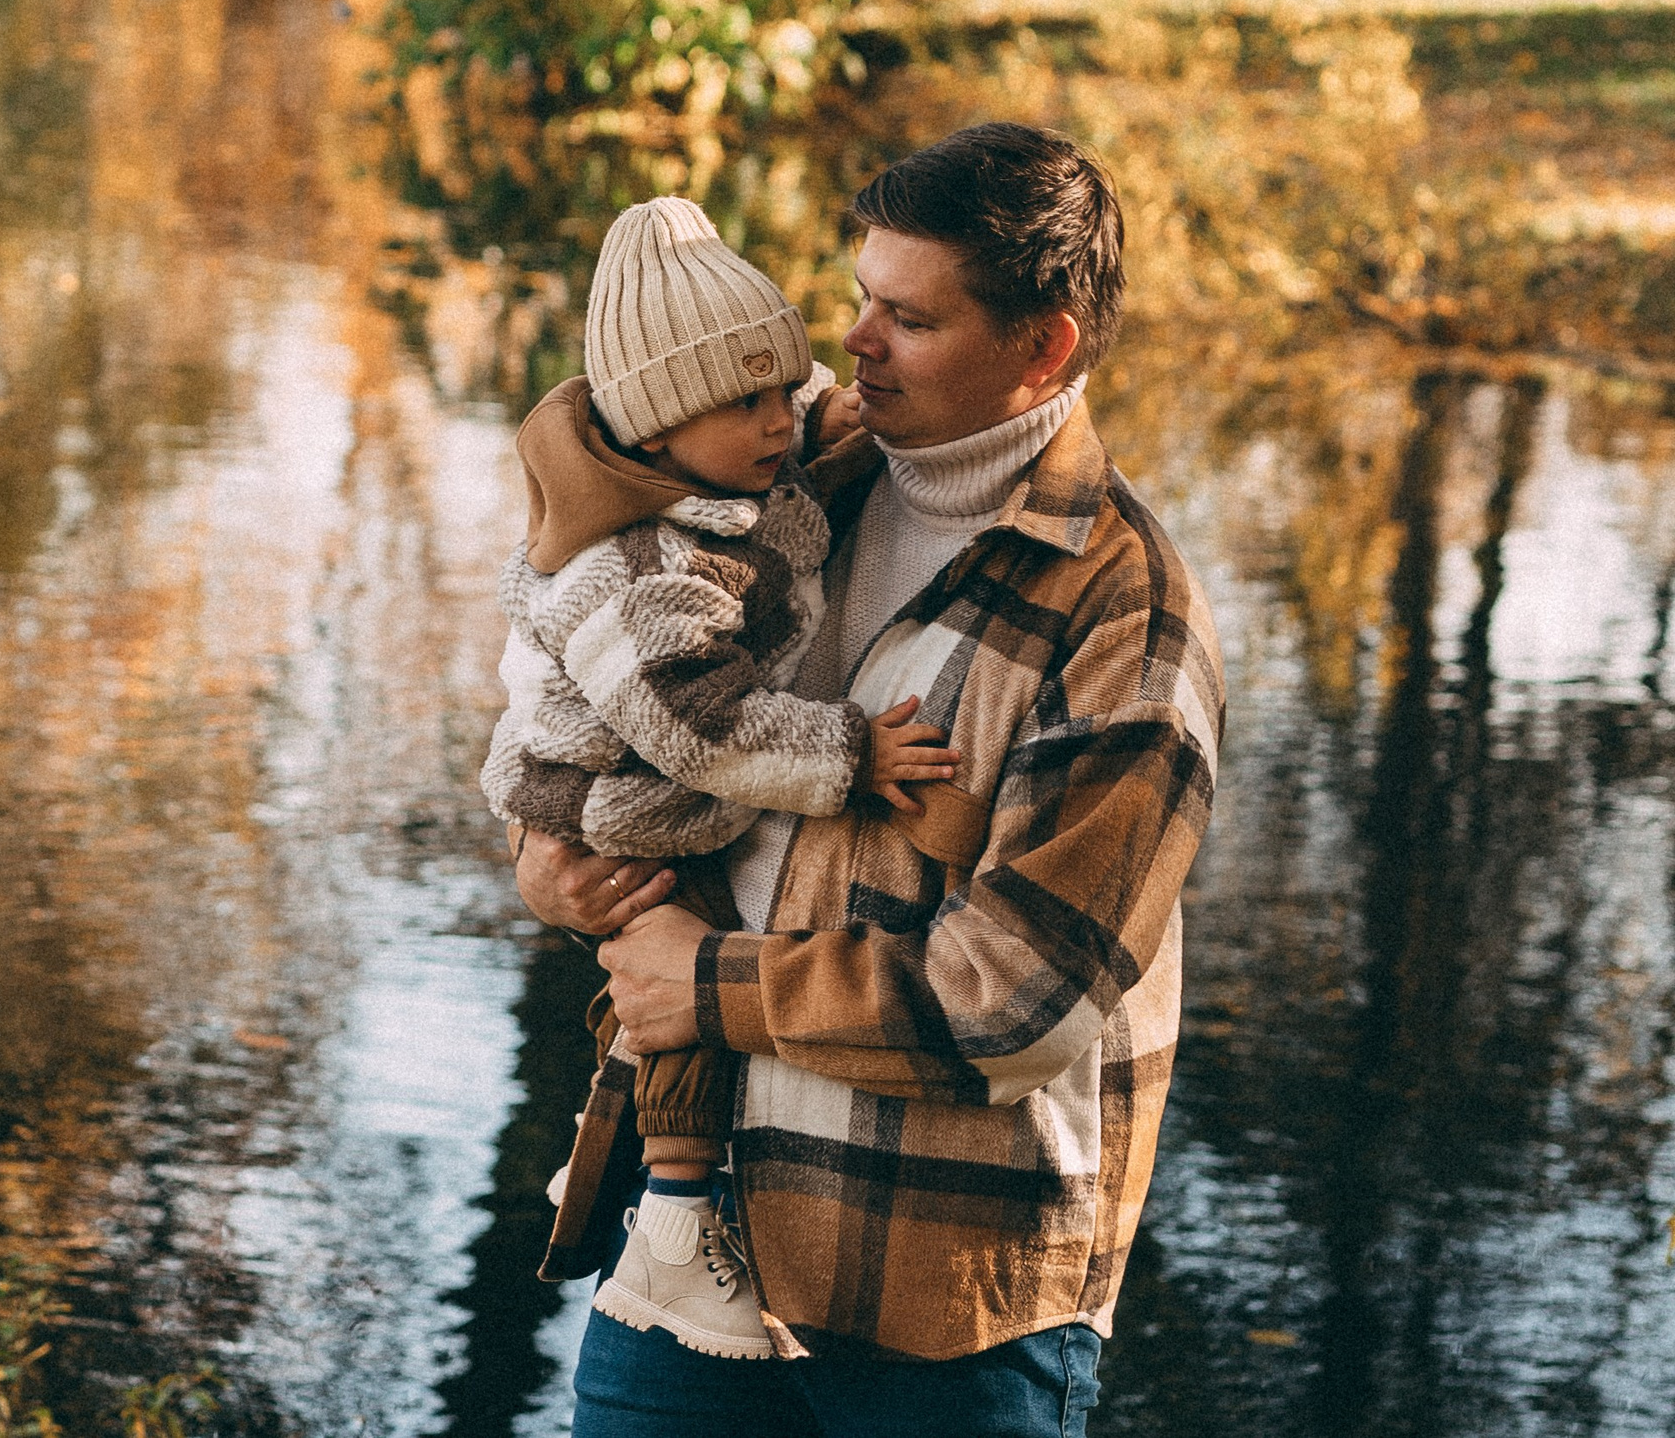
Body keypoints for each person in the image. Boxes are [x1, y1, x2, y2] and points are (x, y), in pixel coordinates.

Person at [516, 123, 1227, 1437]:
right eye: (857, 298)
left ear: (1044, 346)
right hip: (689, 1247)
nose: (855, 340)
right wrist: (552, 853)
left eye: (907, 316)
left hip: (941, 1310)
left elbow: (1013, 1001)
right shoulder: (791, 480)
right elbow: (592, 643)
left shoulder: (1128, 617)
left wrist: (705, 985)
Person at [482, 196, 960, 1361]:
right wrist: (851, 752)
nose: (777, 420)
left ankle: (643, 1172)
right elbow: (701, 729)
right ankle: (679, 1222)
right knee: (679, 975)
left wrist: (820, 418)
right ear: (654, 427)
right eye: (745, 402)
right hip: (620, 792)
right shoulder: (642, 563)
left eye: (782, 388)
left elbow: (779, 489)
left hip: (636, 776)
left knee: (672, 982)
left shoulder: (706, 478)